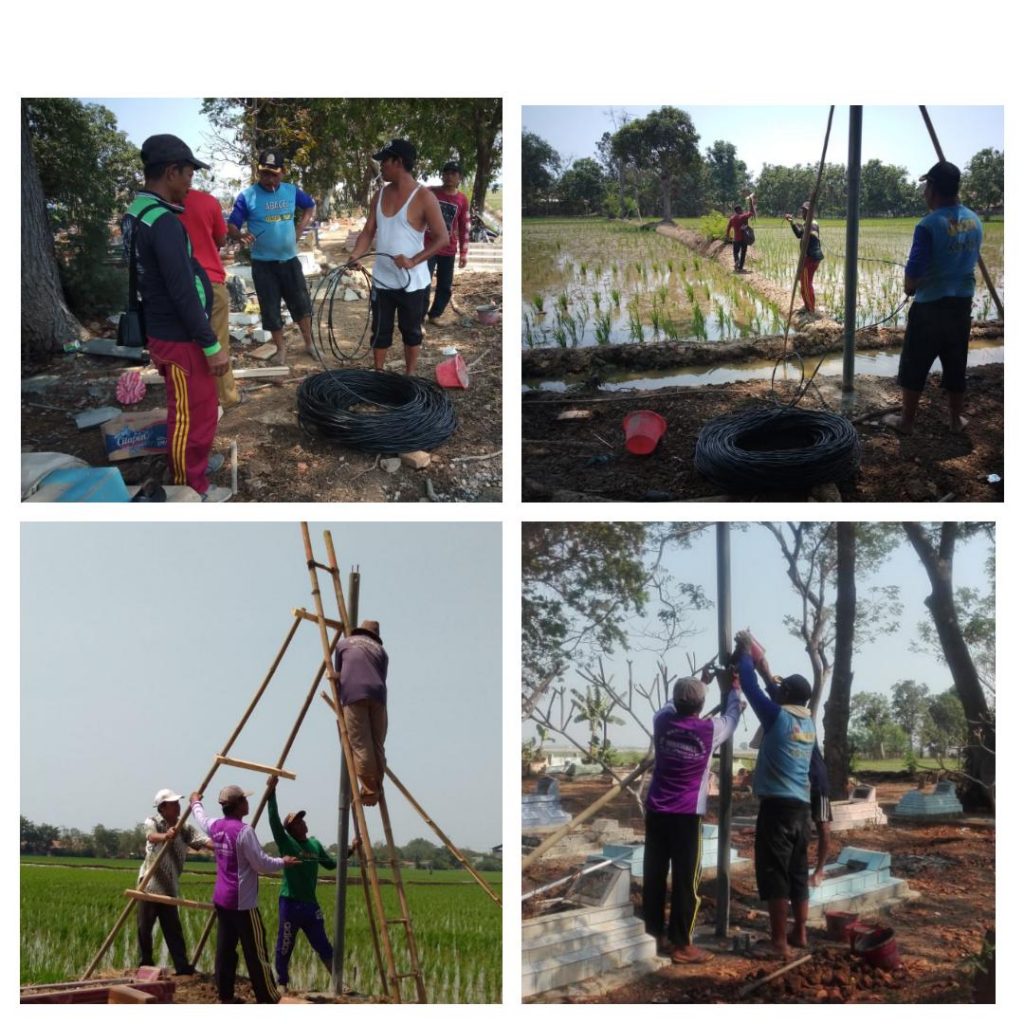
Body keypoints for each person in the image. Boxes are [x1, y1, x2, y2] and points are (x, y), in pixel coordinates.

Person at [122, 134, 230, 501]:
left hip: (167, 330)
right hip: (181, 337)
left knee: (190, 408)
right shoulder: (163, 222)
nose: (190, 183)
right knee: (192, 415)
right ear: (171, 172)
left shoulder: (137, 212)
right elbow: (181, 291)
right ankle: (189, 487)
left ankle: (191, 468)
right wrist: (211, 344)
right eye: (188, 174)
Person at [642, 672, 741, 964]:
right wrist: (734, 688)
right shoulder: (710, 731)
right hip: (686, 817)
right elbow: (733, 716)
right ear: (701, 705)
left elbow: (668, 706)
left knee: (654, 876)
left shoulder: (661, 722)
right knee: (687, 882)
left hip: (657, 811)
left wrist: (703, 680)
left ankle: (653, 934)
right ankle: (682, 944)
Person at [883, 161, 983, 435]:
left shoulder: (928, 224)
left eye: (927, 185)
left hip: (930, 308)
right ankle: (954, 420)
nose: (925, 192)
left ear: (934, 189)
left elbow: (914, 271)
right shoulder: (975, 220)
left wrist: (909, 288)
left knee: (915, 364)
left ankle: (906, 422)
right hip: (961, 305)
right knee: (955, 363)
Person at [734, 630, 815, 960]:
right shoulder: (808, 724)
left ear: (785, 697)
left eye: (781, 689)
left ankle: (779, 943)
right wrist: (767, 670)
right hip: (801, 810)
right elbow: (775, 692)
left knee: (775, 873)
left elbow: (752, 690)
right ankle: (799, 933)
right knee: (797, 871)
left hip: (777, 810)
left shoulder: (775, 716)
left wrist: (744, 653)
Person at [190, 784, 300, 1004]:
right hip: (242, 903)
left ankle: (225, 996)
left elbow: (200, 817)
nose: (248, 802)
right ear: (238, 805)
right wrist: (283, 862)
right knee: (257, 952)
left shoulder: (216, 826)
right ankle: (267, 997)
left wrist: (195, 801)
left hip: (222, 900)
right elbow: (260, 864)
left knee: (225, 950)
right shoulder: (244, 832)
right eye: (244, 800)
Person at [348, 140, 450, 374]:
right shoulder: (380, 194)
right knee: (380, 330)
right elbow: (368, 231)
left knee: (411, 331)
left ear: (399, 162)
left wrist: (414, 260)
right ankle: (378, 373)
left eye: (385, 161)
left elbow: (442, 238)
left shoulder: (424, 197)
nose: (381, 166)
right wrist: (356, 254)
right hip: (383, 279)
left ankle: (409, 375)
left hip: (412, 281)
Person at [227, 150, 317, 365]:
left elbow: (310, 206)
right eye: (264, 174)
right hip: (263, 265)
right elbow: (232, 225)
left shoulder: (291, 191)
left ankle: (309, 344)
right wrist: (240, 235)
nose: (269, 179)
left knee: (302, 306)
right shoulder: (247, 196)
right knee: (270, 310)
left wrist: (300, 227)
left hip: (290, 262)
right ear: (259, 173)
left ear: (283, 172)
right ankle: (281, 350)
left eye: (273, 174)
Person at [265, 776, 349, 989]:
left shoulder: (315, 844)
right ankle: (282, 983)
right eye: (298, 822)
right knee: (285, 945)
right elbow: (274, 821)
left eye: (302, 819)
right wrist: (271, 792)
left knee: (323, 945)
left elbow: (330, 864)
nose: (303, 822)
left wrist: (350, 851)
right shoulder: (287, 843)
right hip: (290, 903)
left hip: (310, 905)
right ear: (291, 829)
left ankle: (339, 982)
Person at [755, 658, 832, 889]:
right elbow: (773, 690)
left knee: (822, 826)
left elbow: (773, 693)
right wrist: (763, 667)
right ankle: (796, 878)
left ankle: (818, 871)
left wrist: (759, 669)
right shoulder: (788, 713)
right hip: (796, 787)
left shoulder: (796, 719)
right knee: (799, 835)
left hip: (816, 782)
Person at [137, 788, 213, 975]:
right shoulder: (152, 821)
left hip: (169, 886)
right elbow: (151, 836)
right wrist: (166, 836)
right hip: (149, 883)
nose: (178, 806)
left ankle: (182, 966)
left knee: (173, 929)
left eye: (178, 803)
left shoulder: (184, 828)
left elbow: (202, 840)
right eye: (174, 804)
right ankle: (144, 963)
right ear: (163, 807)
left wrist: (223, 843)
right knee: (144, 927)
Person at [180, 188, 241, 413]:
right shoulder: (207, 202)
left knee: (185, 345)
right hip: (209, 280)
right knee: (218, 341)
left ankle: (194, 398)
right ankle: (226, 396)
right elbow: (220, 238)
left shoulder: (160, 205)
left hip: (176, 284)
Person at [332, 619, 388, 806]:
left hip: (354, 694)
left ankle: (371, 790)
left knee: (360, 743)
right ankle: (377, 784)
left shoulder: (343, 644)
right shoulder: (382, 651)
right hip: (379, 696)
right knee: (377, 744)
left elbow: (339, 675)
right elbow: (381, 676)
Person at [423, 161, 470, 326]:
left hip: (448, 249)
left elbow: (465, 227)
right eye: (446, 172)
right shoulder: (430, 192)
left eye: (454, 173)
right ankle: (418, 318)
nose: (449, 176)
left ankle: (435, 315)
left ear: (459, 178)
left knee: (445, 286)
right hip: (427, 247)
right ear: (442, 175)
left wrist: (463, 253)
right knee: (423, 283)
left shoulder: (462, 200)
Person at [784, 201, 824, 316]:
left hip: (810, 259)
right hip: (809, 258)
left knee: (806, 285)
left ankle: (810, 310)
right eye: (803, 210)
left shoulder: (811, 224)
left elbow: (802, 233)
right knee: (804, 283)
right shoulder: (809, 223)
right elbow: (800, 233)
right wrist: (792, 222)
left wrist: (794, 224)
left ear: (811, 212)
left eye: (806, 211)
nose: (803, 213)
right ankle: (807, 305)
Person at [725, 193, 756, 272]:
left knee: (735, 252)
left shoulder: (732, 218)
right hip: (744, 239)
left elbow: (728, 228)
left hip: (736, 239)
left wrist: (727, 236)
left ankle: (736, 261)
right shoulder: (743, 216)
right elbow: (752, 212)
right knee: (743, 253)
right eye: (741, 209)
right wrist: (751, 201)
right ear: (739, 210)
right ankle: (740, 267)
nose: (742, 210)